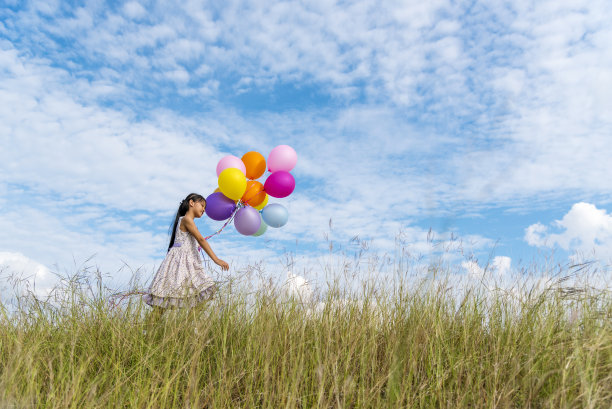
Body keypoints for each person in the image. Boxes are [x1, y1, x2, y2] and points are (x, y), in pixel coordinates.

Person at [144, 193, 229, 312]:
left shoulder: (189, 222)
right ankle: (147, 329)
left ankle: (188, 326)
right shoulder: (186, 219)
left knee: (201, 292)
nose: (204, 209)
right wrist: (216, 259)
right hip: (180, 264)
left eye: (205, 207)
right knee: (167, 299)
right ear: (191, 203)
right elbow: (200, 239)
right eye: (202, 205)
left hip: (189, 264)